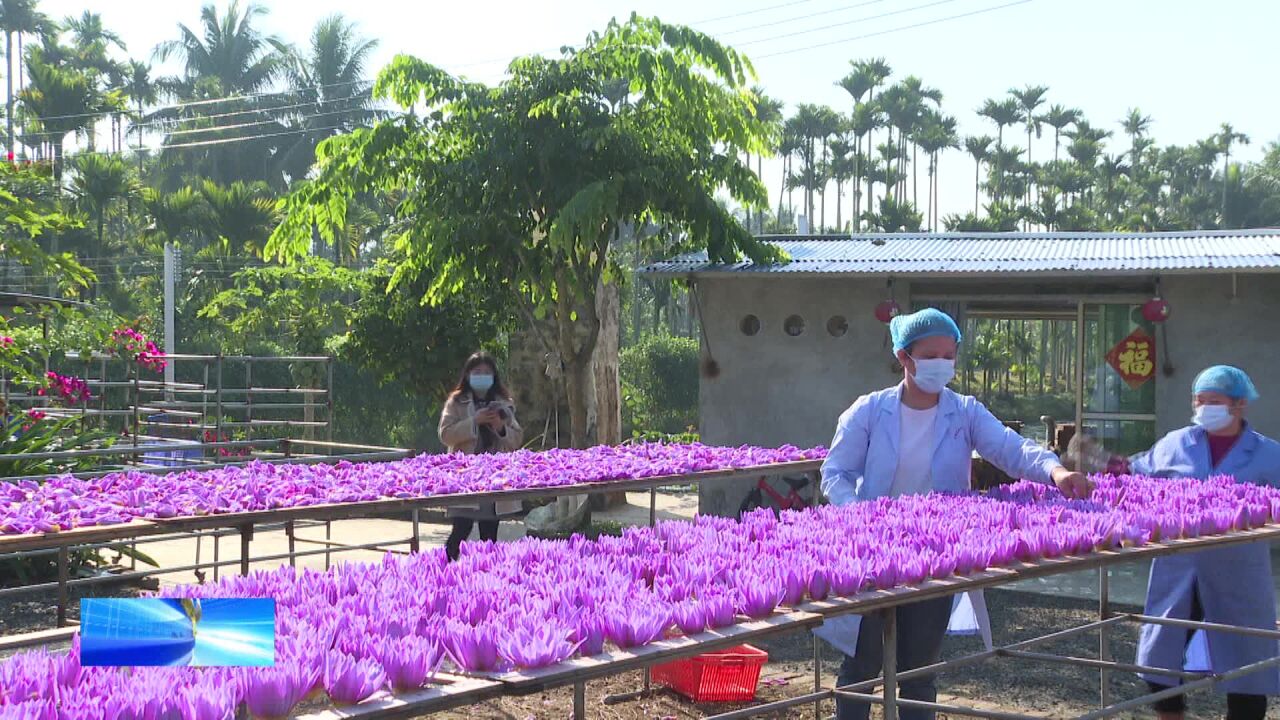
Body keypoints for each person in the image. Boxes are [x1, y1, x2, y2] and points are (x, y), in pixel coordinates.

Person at [821, 308, 1091, 720]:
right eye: (931, 355)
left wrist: (1054, 471)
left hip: (937, 554)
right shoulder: (870, 411)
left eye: (949, 355)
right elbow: (836, 473)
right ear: (904, 357)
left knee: (920, 670)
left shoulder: (964, 411)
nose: (942, 364)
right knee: (862, 664)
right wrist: (858, 514)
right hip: (872, 551)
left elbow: (1009, 447)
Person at [1131, 365, 1280, 720]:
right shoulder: (1176, 443)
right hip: (1179, 568)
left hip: (1238, 572)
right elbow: (1138, 475)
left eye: (1214, 401)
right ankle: (1172, 715)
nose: (1204, 408)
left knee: (1248, 671)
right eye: (1200, 400)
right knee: (1159, 661)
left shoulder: (1268, 455)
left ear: (1239, 404)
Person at [437, 351, 524, 562]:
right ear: (467, 375)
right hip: (465, 477)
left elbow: (517, 439)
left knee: (489, 535)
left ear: (494, 376)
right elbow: (445, 434)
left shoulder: (504, 403)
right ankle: (443, 573)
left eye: (487, 372)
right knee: (461, 529)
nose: (482, 376)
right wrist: (473, 422)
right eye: (477, 372)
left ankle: (486, 578)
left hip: (494, 479)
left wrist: (501, 428)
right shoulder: (457, 402)